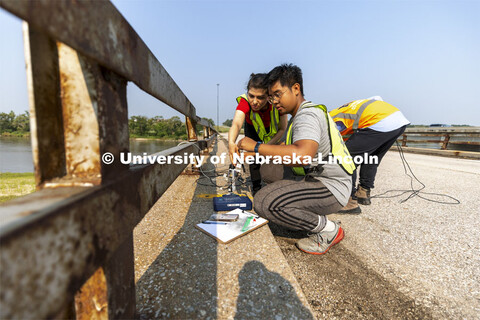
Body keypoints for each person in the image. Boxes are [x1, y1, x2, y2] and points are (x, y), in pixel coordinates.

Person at [237, 64, 355, 255]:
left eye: (277, 94)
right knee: (269, 170)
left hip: (331, 187)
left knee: (263, 202)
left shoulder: (306, 115)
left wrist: (256, 146)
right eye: (271, 96)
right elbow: (286, 151)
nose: (274, 101)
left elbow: (302, 155)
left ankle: (329, 230)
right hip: (320, 178)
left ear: (296, 89)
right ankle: (298, 213)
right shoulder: (299, 115)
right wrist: (258, 155)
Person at [330, 96, 410, 214]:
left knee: (345, 159)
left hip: (378, 121)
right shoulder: (346, 108)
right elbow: (377, 98)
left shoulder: (329, 120)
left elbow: (333, 143)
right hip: (398, 120)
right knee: (371, 158)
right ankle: (363, 193)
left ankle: (349, 202)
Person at [228, 73, 287, 194]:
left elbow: (282, 129)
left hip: (274, 131)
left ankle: (277, 185)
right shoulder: (245, 102)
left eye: (260, 97)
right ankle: (256, 187)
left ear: (269, 96)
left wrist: (264, 148)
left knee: (274, 156)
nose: (254, 102)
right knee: (253, 158)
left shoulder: (278, 103)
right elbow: (236, 123)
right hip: (252, 128)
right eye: (251, 96)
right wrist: (231, 142)